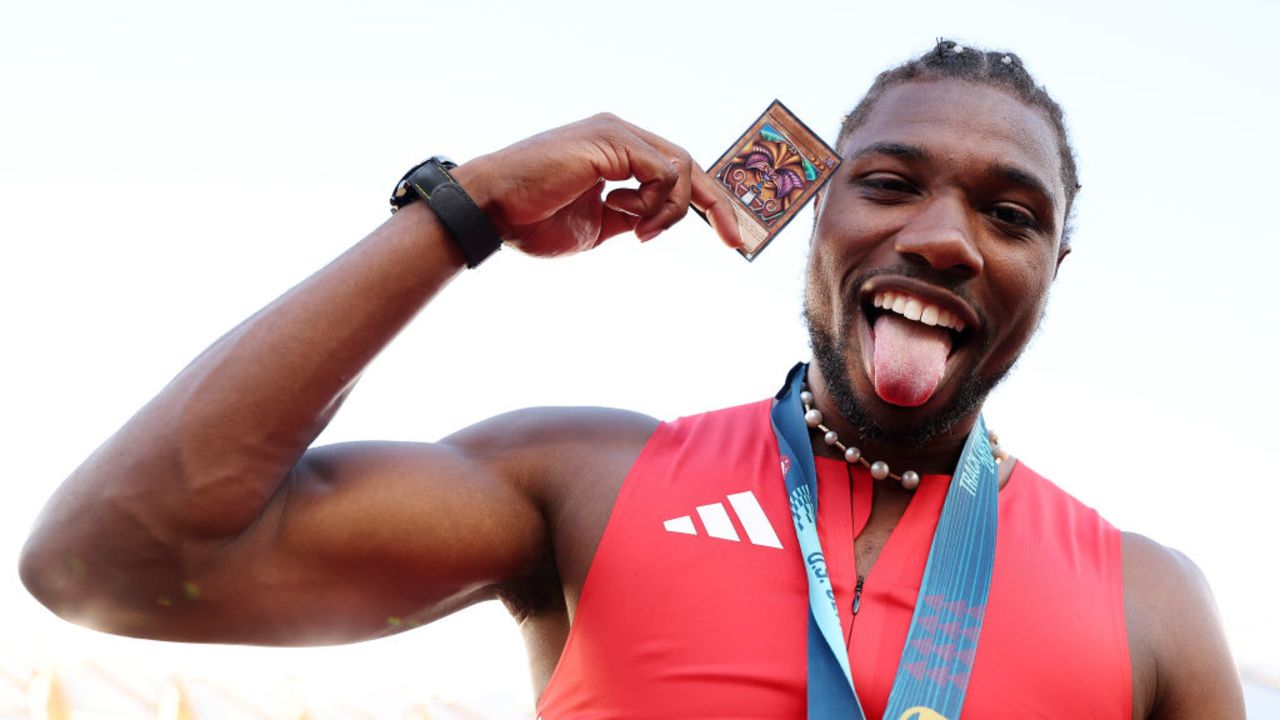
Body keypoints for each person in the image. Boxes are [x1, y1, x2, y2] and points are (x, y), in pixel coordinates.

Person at [19, 41, 1244, 719]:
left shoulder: (1150, 605)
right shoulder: (594, 482)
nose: (941, 238)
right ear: (809, 212)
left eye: (1010, 213)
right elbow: (116, 559)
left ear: (1050, 268)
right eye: (885, 182)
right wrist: (466, 208)